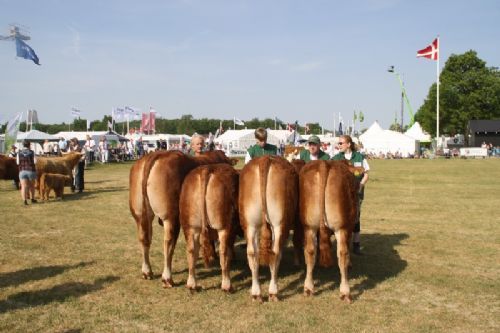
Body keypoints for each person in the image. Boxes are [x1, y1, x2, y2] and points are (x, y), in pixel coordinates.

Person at [332, 135, 370, 255]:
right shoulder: (335, 158)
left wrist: (361, 185)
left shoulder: (359, 157)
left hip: (356, 192)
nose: (339, 145)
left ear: (348, 144)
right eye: (338, 143)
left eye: (341, 143)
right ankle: (342, 242)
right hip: (340, 194)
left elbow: (366, 173)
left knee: (356, 217)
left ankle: (356, 244)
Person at [16, 140, 37, 205]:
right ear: (29, 145)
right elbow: (35, 162)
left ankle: (24, 201)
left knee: (23, 186)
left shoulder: (19, 152)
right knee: (32, 186)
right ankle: (32, 199)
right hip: (31, 171)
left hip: (22, 171)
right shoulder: (32, 152)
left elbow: (17, 163)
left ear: (23, 145)